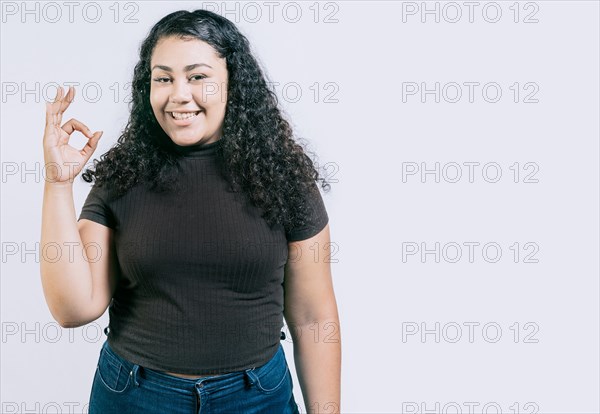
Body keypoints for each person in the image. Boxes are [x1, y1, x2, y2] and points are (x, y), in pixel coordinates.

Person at [39, 9, 341, 414]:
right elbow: (74, 308)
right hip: (136, 396)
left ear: (233, 83)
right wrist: (58, 184)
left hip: (256, 398)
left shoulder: (284, 177)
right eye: (163, 78)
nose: (179, 94)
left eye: (198, 77)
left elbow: (313, 317)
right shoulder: (122, 175)